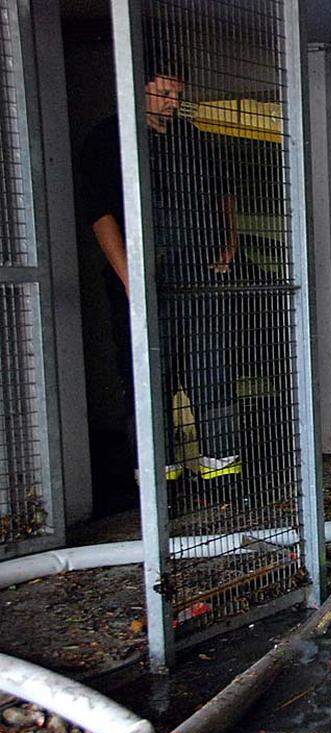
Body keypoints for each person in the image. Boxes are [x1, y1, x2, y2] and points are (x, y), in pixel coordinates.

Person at [77, 43, 241, 496]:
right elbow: (102, 215)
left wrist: (228, 243)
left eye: (176, 92)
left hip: (199, 274)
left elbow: (222, 194)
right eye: (163, 91)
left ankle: (221, 473)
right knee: (149, 378)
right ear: (138, 88)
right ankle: (159, 485)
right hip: (148, 279)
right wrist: (132, 280)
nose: (172, 100)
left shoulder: (193, 139)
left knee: (212, 371)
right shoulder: (109, 140)